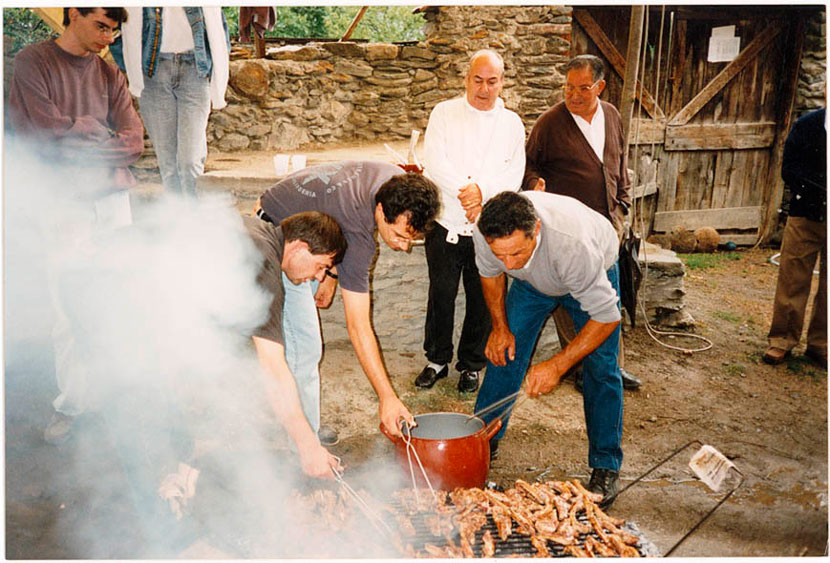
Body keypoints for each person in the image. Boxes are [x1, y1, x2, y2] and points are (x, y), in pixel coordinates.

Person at [7, 7, 144, 444]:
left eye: (114, 30)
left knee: (119, 300)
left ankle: (117, 400)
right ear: (72, 15)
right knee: (69, 309)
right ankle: (73, 406)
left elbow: (135, 141)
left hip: (113, 201)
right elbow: (40, 134)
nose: (108, 38)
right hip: (63, 202)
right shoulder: (34, 62)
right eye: (101, 26)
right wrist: (96, 136)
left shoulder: (110, 75)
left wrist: (81, 136)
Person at [255, 161, 441, 442]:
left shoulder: (396, 183)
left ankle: (301, 422)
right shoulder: (357, 232)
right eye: (400, 236)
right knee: (305, 348)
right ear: (380, 211)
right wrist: (387, 397)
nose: (404, 247)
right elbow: (358, 326)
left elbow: (331, 208)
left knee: (302, 345)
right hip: (278, 232)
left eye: (411, 240)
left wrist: (330, 273)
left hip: (307, 226)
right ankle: (303, 442)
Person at [472, 191, 624, 508]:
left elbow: (607, 317)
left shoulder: (573, 246)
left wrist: (557, 365)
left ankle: (605, 464)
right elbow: (491, 275)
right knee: (503, 355)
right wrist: (500, 328)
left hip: (588, 274)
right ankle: (482, 446)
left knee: (601, 368)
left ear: (536, 230)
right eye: (501, 255)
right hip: (532, 286)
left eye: (516, 253)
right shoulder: (486, 232)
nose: (509, 263)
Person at [523, 53, 641, 392]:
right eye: (568, 88)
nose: (574, 95)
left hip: (607, 223)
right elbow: (529, 165)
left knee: (607, 296)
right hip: (569, 233)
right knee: (569, 296)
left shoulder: (612, 115)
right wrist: (534, 185)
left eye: (583, 88)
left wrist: (623, 201)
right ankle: (575, 366)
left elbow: (619, 162)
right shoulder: (550, 123)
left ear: (600, 86)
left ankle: (611, 369)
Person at [416, 49, 526, 393]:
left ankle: (472, 363)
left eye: (492, 81)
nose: (484, 88)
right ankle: (436, 359)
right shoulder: (444, 113)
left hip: (488, 224)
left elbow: (514, 172)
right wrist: (467, 190)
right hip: (446, 218)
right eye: (477, 80)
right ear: (466, 79)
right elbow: (434, 160)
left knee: (482, 298)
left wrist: (483, 191)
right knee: (442, 293)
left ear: (502, 83)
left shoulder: (512, 123)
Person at [244, 211, 349, 479]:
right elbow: (273, 367)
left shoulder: (256, 232)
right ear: (300, 247)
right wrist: (308, 447)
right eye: (321, 266)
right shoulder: (263, 263)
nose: (319, 277)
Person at [111, 7, 230, 198]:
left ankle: (193, 216)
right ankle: (177, 220)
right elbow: (117, 32)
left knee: (190, 161)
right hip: (154, 72)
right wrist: (133, 69)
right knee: (168, 165)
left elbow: (220, 32)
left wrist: (213, 70)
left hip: (194, 71)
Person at [763, 108, 826, 367]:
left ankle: (821, 345)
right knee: (793, 278)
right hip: (806, 213)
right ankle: (782, 340)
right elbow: (790, 169)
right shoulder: (807, 125)